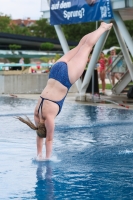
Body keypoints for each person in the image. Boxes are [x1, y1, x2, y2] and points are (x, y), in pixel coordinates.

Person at [16, 22, 113, 161]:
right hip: (55, 71)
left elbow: (48, 140)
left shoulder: (49, 118)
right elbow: (39, 136)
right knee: (80, 46)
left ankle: (102, 28)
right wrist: (38, 155)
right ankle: (101, 27)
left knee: (86, 47)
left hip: (66, 77)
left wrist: (46, 158)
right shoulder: (37, 114)